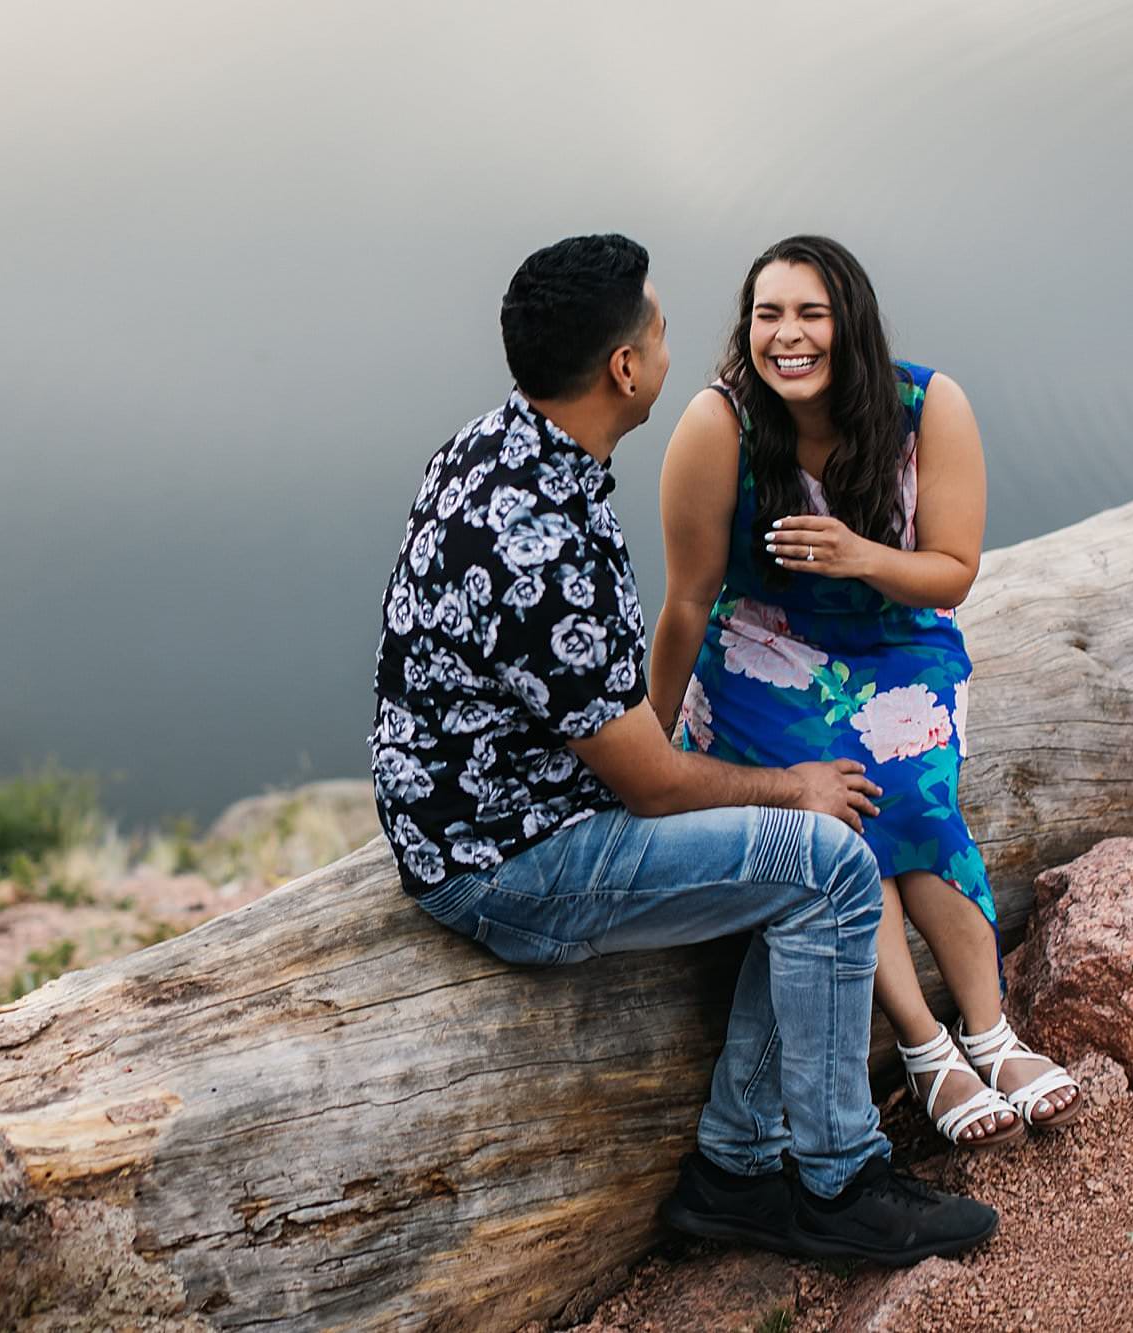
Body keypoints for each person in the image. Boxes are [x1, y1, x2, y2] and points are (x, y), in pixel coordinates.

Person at [370, 232, 997, 1264]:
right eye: (658, 327)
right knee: (828, 864)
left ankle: (734, 1167)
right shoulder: (542, 551)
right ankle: (836, 1181)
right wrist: (791, 783)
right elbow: (652, 785)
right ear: (623, 369)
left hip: (479, 806)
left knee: (776, 851)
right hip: (516, 862)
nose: (673, 342)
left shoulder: (498, 445)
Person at [648, 235, 1082, 1150]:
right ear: (747, 326)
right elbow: (688, 598)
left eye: (811, 313)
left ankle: (992, 1031)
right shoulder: (719, 423)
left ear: (851, 321)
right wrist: (652, 743)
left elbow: (953, 572)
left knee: (919, 793)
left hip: (896, 637)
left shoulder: (927, 407)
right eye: (769, 315)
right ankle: (928, 1050)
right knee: (838, 804)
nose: (788, 336)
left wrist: (859, 555)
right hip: (764, 648)